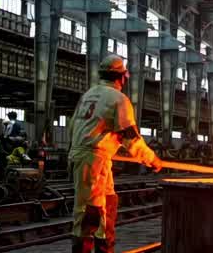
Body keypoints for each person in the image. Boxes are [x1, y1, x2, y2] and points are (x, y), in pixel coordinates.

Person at [69, 54, 163, 253]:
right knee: (89, 214)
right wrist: (151, 159)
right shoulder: (118, 99)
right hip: (93, 159)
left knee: (108, 203)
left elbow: (73, 127)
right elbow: (131, 137)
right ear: (121, 77)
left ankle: (105, 248)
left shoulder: (89, 94)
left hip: (93, 157)